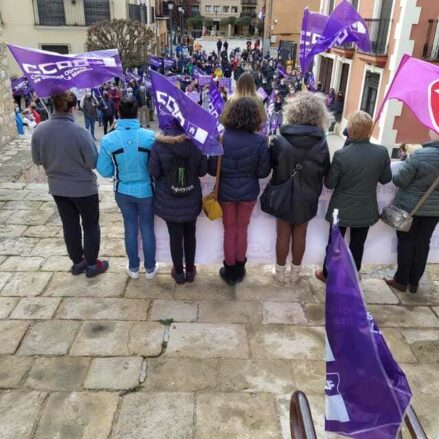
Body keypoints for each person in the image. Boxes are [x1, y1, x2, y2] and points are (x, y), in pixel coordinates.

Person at [97, 98, 184, 279]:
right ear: (137, 113)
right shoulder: (149, 136)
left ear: (118, 113)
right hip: (146, 190)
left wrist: (117, 171)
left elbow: (104, 170)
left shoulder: (108, 139)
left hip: (123, 190)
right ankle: (150, 268)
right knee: (146, 227)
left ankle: (134, 267)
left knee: (129, 227)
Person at [31, 91, 108, 278]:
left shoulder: (39, 130)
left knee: (69, 224)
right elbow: (92, 163)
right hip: (83, 188)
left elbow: (37, 159)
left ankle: (77, 262)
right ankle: (91, 264)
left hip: (57, 187)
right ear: (73, 108)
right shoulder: (80, 133)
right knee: (90, 225)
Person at [315, 111, 392, 282]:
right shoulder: (381, 152)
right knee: (358, 245)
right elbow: (386, 178)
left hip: (341, 209)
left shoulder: (342, 155)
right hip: (365, 209)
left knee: (335, 244)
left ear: (350, 130)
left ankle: (328, 274)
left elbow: (330, 183)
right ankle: (352, 277)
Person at [269, 93, 331, 284]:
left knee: (282, 233)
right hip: (308, 195)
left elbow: (271, 165)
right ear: (318, 115)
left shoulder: (279, 140)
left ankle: (279, 273)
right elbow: (326, 170)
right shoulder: (322, 143)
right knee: (300, 233)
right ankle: (296, 273)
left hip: (283, 193)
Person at [208, 97, 271, 286]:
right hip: (248, 194)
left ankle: (229, 270)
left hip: (225, 193)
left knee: (229, 230)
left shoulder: (220, 138)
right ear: (254, 117)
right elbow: (263, 172)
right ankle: (239, 267)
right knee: (242, 229)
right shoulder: (259, 141)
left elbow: (212, 169)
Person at [149, 119, 207, 285]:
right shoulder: (196, 145)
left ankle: (179, 273)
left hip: (169, 199)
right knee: (190, 234)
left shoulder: (159, 145)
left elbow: (153, 171)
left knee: (175, 237)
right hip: (191, 198)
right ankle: (190, 270)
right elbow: (202, 171)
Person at [384, 131, 439, 294]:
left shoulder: (419, 155)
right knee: (423, 243)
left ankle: (401, 280)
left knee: (406, 242)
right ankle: (414, 282)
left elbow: (400, 180)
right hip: (435, 211)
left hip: (410, 208)